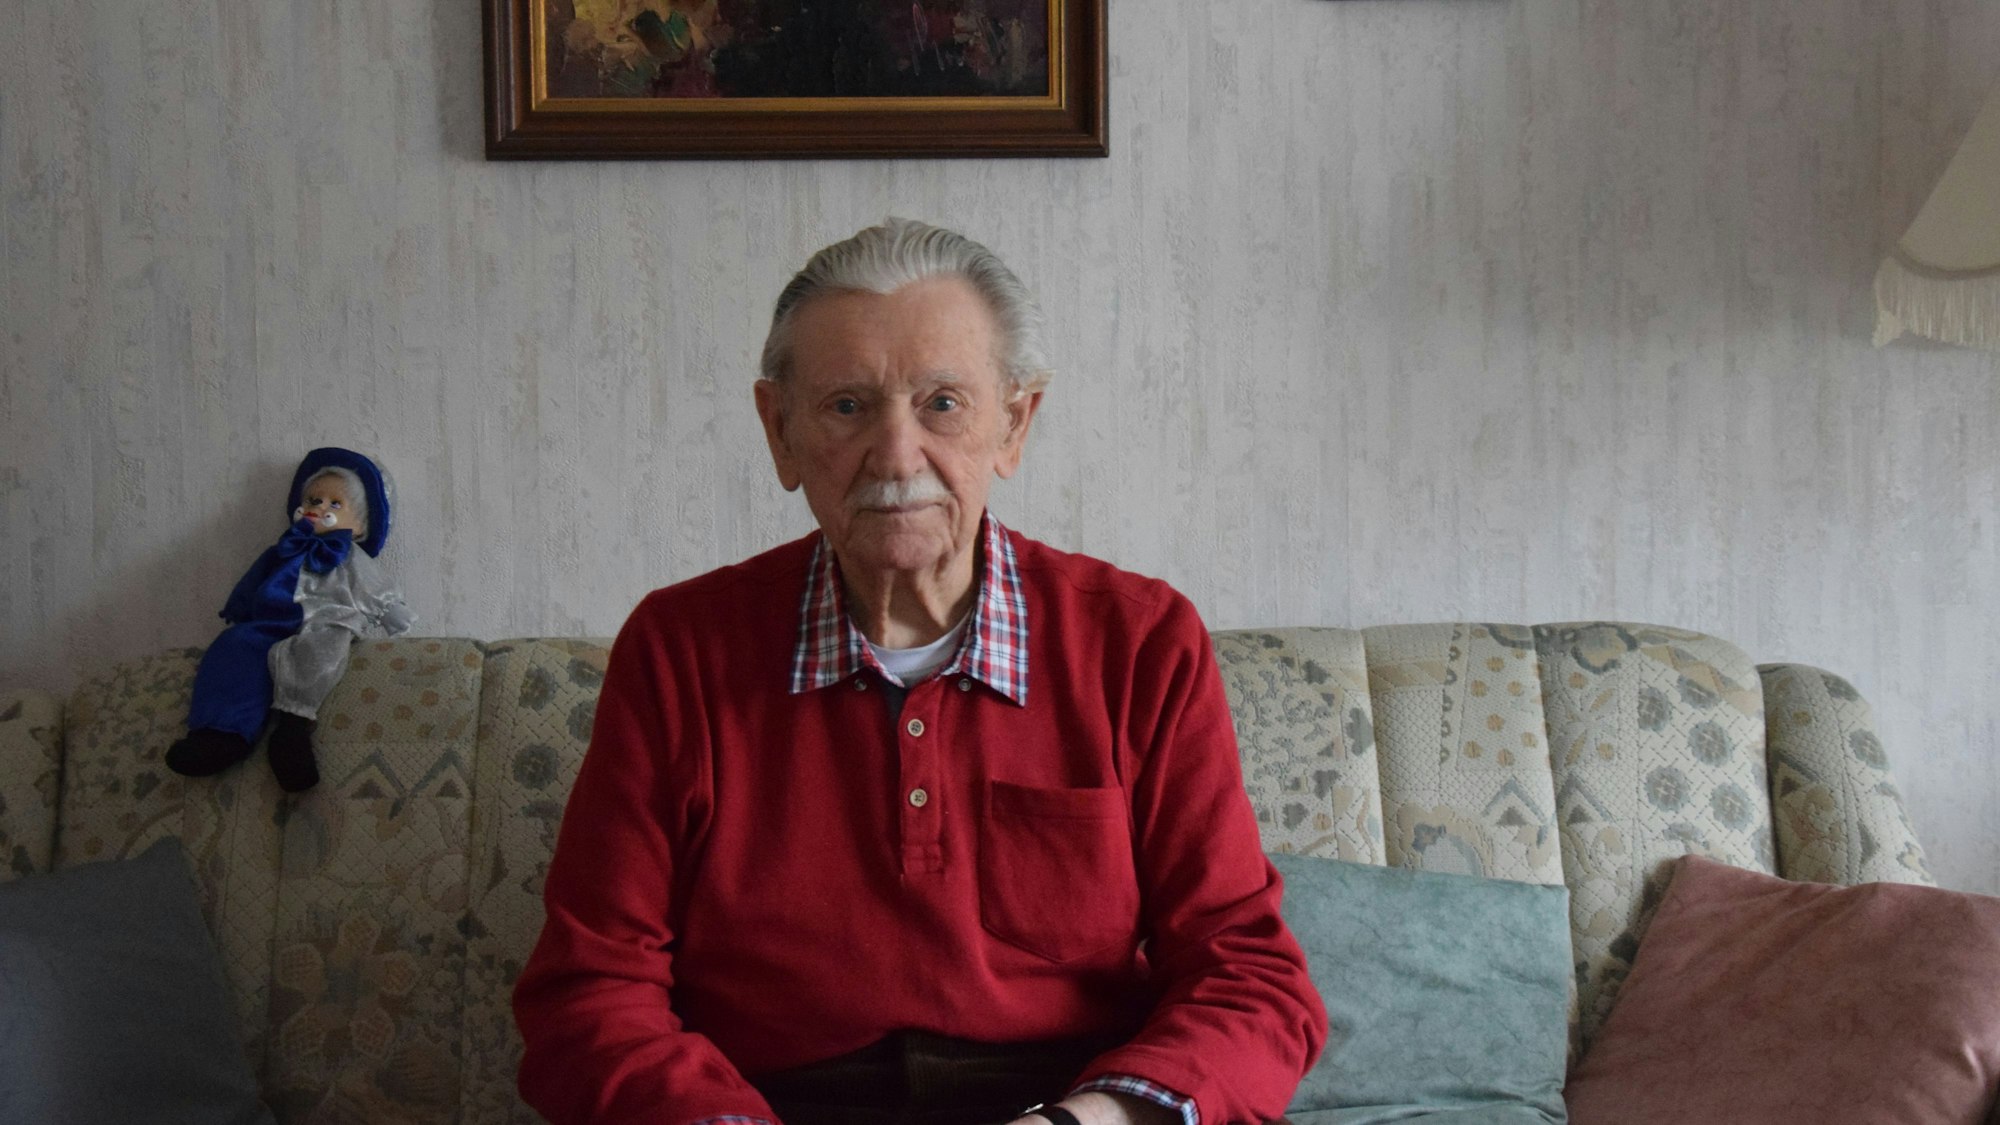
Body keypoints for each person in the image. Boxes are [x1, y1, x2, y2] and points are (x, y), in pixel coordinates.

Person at [512, 219, 1326, 1125]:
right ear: (780, 432)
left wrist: (1085, 1122)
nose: (897, 456)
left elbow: (1249, 978)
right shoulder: (679, 651)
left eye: (942, 403)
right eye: (847, 406)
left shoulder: (1141, 644)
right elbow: (589, 993)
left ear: (1013, 423)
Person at [167, 447, 412, 792]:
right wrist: (241, 610)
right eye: (314, 500)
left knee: (322, 650)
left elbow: (372, 586)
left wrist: (393, 613)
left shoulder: (349, 556)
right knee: (235, 645)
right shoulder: (284, 548)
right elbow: (255, 581)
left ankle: (292, 730)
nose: (320, 508)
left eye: (335, 504)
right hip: (270, 623)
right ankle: (222, 735)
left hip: (326, 621)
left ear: (360, 525)